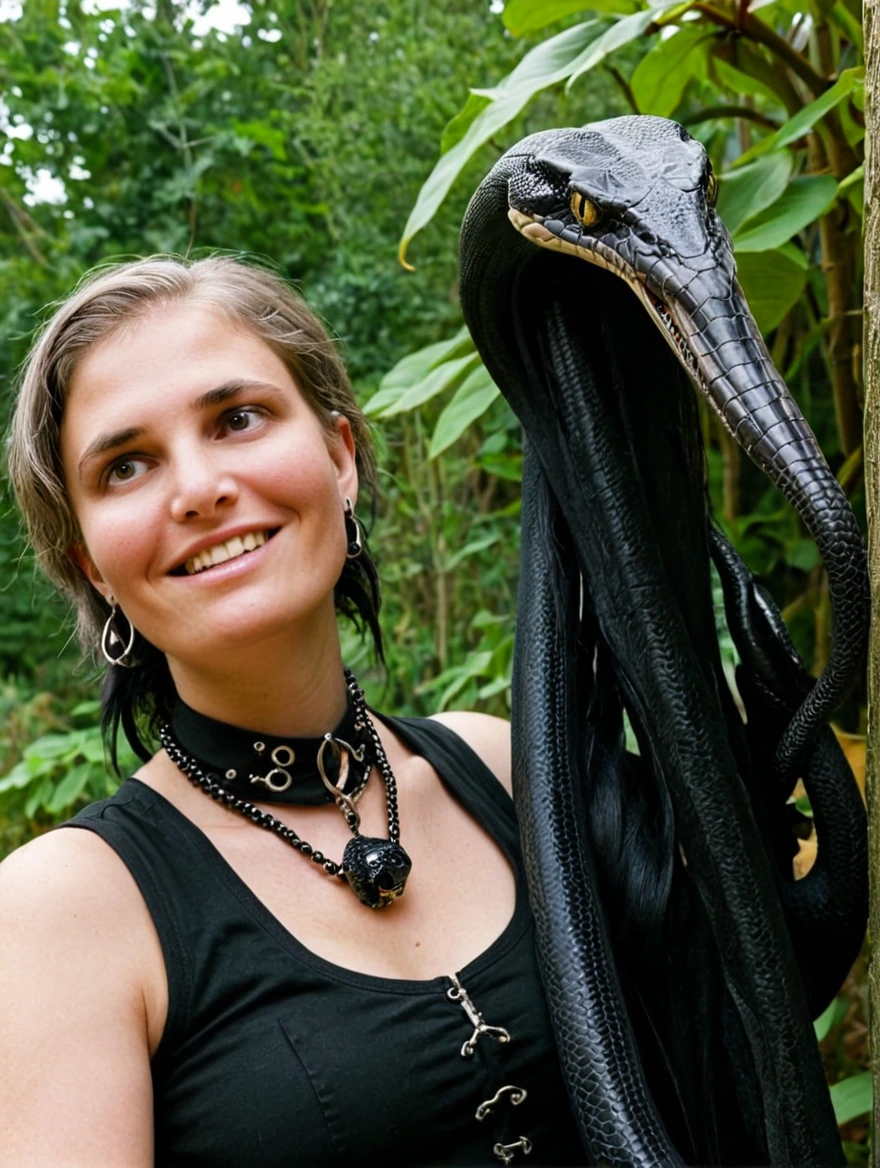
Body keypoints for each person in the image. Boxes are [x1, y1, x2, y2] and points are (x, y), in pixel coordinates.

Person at [0, 256, 585, 1167]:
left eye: (238, 418)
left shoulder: (507, 768)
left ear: (340, 458)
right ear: (90, 565)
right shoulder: (64, 913)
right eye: (127, 465)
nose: (197, 488)